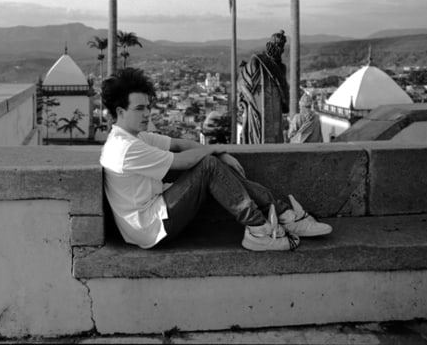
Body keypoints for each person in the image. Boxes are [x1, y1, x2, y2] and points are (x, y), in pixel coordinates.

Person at [99, 68, 331, 252]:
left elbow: (179, 144)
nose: (148, 114)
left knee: (211, 161)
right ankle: (260, 228)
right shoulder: (125, 148)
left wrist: (218, 153)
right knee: (208, 165)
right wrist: (217, 149)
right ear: (120, 111)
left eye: (148, 107)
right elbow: (183, 161)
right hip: (149, 227)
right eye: (140, 109)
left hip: (153, 214)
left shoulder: (136, 137)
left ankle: (282, 214)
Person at [238, 30, 290, 143]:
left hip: (275, 109)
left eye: (282, 46)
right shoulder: (256, 61)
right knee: (259, 136)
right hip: (258, 108)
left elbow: (284, 92)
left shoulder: (281, 68)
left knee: (275, 136)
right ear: (270, 45)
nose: (280, 49)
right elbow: (243, 83)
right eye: (278, 45)